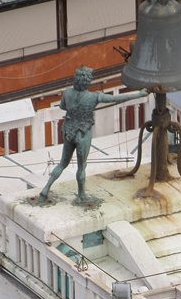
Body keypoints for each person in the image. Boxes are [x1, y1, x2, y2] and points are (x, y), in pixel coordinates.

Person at [39, 67, 147, 204]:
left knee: (62, 163)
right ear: (88, 82)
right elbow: (116, 98)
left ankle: (46, 189)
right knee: (81, 166)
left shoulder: (67, 92)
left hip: (68, 130)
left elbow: (63, 107)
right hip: (83, 133)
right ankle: (81, 195)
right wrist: (139, 94)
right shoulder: (94, 97)